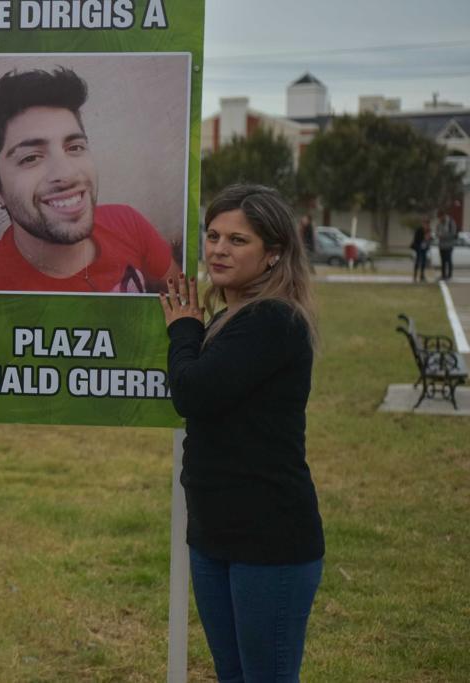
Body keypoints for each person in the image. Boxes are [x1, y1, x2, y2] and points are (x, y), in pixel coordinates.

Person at [160, 184, 324, 682]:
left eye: (238, 240)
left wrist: (184, 329)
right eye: (213, 236)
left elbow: (194, 393)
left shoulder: (274, 320)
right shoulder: (231, 315)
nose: (218, 250)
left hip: (267, 539)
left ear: (273, 253)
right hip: (216, 534)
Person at [0, 67, 179, 293]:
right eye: (31, 158)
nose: (67, 174)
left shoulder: (128, 224)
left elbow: (185, 306)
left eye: (74, 147)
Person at [435, 209, 457, 281]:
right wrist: (438, 235)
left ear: (443, 215)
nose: (439, 219)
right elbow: (437, 232)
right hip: (441, 245)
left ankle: (449, 275)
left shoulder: (451, 222)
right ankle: (443, 275)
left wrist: (443, 236)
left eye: (440, 217)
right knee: (443, 260)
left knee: (448, 260)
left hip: (449, 245)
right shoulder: (439, 223)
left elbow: (453, 233)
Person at [411, 218, 431, 283]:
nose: (426, 225)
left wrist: (429, 238)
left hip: (425, 248)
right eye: (425, 224)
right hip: (419, 248)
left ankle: (422, 276)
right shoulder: (419, 230)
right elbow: (416, 239)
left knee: (423, 262)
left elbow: (429, 239)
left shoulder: (428, 230)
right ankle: (415, 276)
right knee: (417, 261)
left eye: (427, 224)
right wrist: (424, 237)